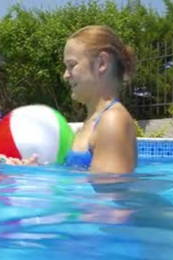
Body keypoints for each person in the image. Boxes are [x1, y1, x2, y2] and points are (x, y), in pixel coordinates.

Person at [62, 25, 137, 174]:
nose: (65, 75)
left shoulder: (112, 120)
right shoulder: (89, 124)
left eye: (71, 65)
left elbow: (110, 194)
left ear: (101, 63)